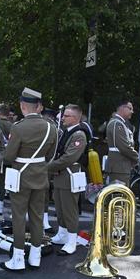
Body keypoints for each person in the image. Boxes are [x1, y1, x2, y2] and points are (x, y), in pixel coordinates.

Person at [1, 88, 57, 272]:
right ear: (38, 107)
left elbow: (9, 156)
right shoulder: (51, 127)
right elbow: (51, 155)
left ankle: (18, 258)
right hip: (40, 175)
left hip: (21, 176)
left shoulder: (18, 127)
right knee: (37, 216)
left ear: (23, 106)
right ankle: (35, 256)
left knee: (18, 216)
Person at [48, 104, 87, 254]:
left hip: (69, 175)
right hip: (60, 176)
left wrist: (48, 167)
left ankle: (71, 241)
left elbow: (69, 158)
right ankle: (62, 234)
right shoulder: (66, 132)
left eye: (66, 116)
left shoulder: (79, 135)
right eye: (63, 115)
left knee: (69, 209)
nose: (62, 118)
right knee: (59, 206)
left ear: (76, 118)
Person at [105, 100, 139, 185]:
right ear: (123, 108)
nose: (132, 111)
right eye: (130, 108)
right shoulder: (117, 124)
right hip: (119, 167)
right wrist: (136, 158)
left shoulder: (119, 123)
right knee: (119, 195)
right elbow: (124, 147)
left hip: (120, 166)